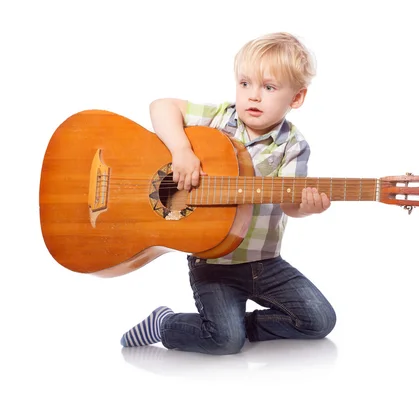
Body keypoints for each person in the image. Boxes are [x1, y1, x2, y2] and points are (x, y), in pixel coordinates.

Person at [120, 32, 336, 355]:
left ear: (297, 98)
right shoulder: (220, 118)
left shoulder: (294, 146)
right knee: (226, 342)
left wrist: (307, 207)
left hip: (266, 264)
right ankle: (164, 324)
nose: (253, 96)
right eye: (245, 83)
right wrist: (181, 150)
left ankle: (236, 323)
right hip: (213, 264)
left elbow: (290, 203)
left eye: (269, 87)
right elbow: (161, 106)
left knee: (320, 319)